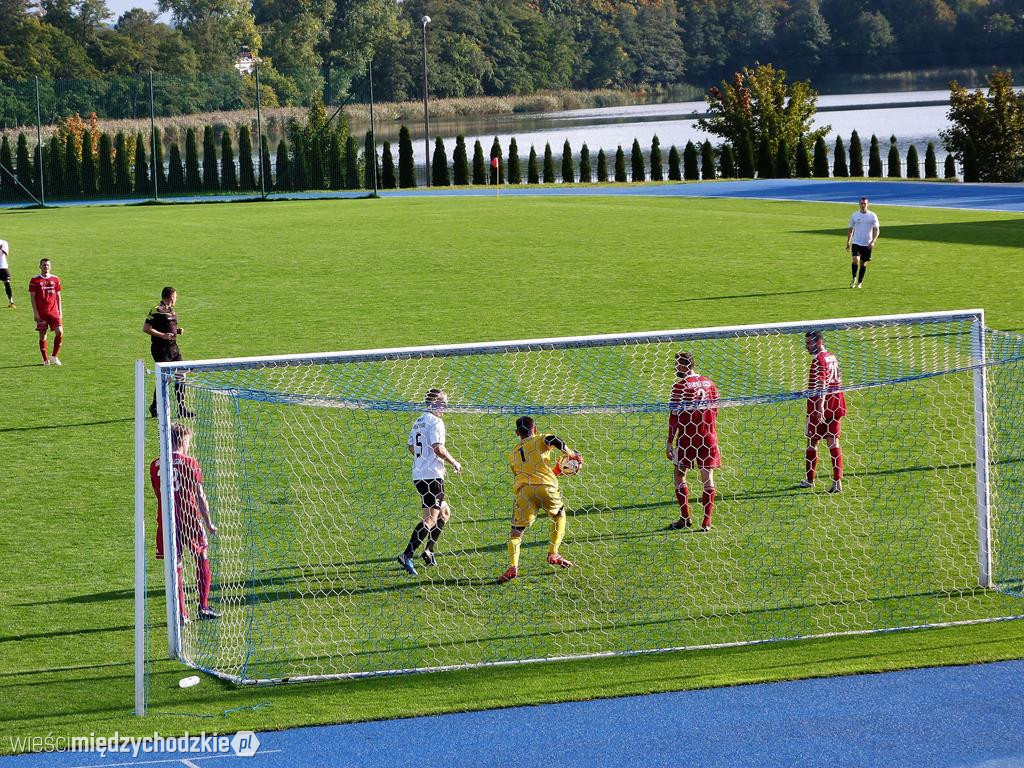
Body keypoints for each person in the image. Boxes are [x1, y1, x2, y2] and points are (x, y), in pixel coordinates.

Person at [499, 416, 582, 584]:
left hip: (524, 493)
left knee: (517, 532)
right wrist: (569, 452)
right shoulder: (540, 438)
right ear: (534, 429)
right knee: (559, 516)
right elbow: (553, 439)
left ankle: (513, 566)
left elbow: (531, 476)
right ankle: (553, 552)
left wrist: (557, 470)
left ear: (517, 433)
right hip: (547, 488)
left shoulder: (513, 455)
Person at [150, 423, 220, 621]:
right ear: (181, 440)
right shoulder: (190, 463)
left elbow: (159, 494)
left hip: (166, 520)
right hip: (189, 517)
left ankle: (181, 613)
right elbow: (199, 496)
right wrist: (208, 522)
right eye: (188, 440)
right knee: (202, 554)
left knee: (176, 563)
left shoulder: (154, 465)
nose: (189, 444)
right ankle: (203, 606)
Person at [397, 388, 462, 576]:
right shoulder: (436, 422)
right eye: (443, 403)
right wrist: (453, 462)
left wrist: (422, 458)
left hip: (419, 475)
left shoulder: (418, 421)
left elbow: (411, 446)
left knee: (444, 512)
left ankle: (429, 550)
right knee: (430, 519)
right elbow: (438, 448)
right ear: (433, 403)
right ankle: (407, 554)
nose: (445, 407)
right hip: (432, 476)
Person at [666, 352, 720, 531]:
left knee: (679, 474)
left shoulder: (680, 387)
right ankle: (706, 522)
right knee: (708, 479)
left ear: (683, 366)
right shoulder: (710, 383)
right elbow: (717, 409)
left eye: (676, 365)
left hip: (687, 438)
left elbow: (674, 417)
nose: (675, 368)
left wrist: (669, 442)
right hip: (708, 436)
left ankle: (685, 518)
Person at [801, 332, 846, 493]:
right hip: (836, 404)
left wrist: (819, 406)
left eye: (808, 343)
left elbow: (822, 384)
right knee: (834, 442)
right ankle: (837, 481)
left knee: (812, 442)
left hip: (820, 407)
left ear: (818, 341)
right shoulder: (831, 357)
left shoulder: (819, 360)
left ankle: (809, 480)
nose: (806, 346)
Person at [143, 287, 193, 418]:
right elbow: (146, 328)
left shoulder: (172, 311)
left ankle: (181, 408)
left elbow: (170, 328)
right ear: (171, 297)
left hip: (173, 348)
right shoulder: (156, 310)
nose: (176, 298)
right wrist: (162, 336)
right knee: (166, 378)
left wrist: (178, 331)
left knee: (182, 375)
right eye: (175, 296)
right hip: (160, 348)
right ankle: (155, 406)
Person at [28, 258, 62, 366]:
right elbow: (32, 298)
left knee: (60, 332)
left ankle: (54, 356)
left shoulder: (55, 279)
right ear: (40, 266)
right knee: (43, 335)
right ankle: (45, 359)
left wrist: (60, 310)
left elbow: (58, 295)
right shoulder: (35, 280)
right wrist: (35, 313)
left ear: (50, 266)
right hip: (41, 312)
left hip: (54, 311)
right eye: (43, 265)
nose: (45, 267)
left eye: (47, 265)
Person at [846, 196, 880, 288]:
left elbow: (877, 230)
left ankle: (860, 282)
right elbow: (850, 229)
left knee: (863, 264)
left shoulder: (872, 215)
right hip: (856, 242)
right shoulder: (855, 215)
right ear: (859, 204)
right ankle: (854, 278)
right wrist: (848, 241)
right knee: (855, 260)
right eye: (861, 203)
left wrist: (873, 241)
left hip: (867, 244)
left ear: (867, 204)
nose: (863, 205)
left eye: (864, 203)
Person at [0, 238, 14, 308]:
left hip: (3, 266)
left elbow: (6, 253)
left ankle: (11, 302)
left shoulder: (3, 242)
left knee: (7, 283)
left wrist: (1, 248)